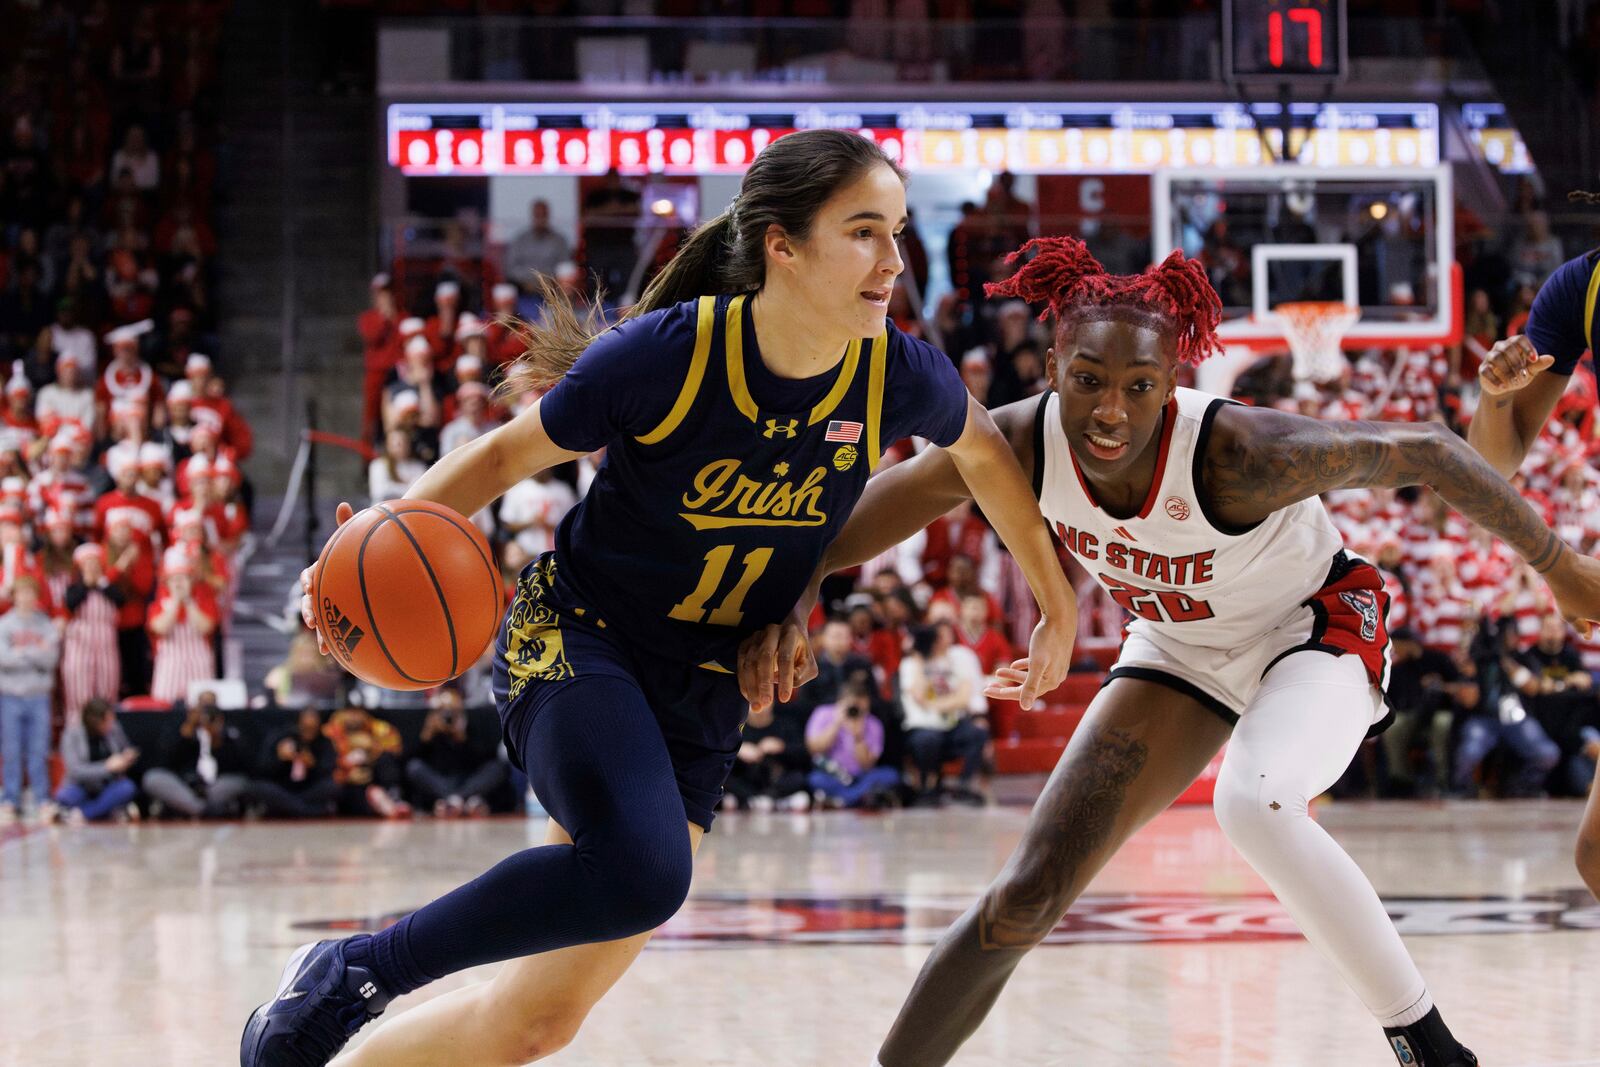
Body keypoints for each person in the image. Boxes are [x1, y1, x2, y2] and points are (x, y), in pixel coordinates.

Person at [242, 128, 1078, 1067]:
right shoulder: (666, 357)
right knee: (644, 869)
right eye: (863, 231)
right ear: (782, 245)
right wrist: (345, 555)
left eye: (894, 230)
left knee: (536, 1020)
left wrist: (1057, 599)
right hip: (579, 638)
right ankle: (355, 969)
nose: (894, 258)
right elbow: (500, 457)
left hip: (705, 687)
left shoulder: (895, 370)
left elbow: (981, 456)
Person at [785, 236, 1600, 1067]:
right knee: (1024, 896)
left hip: (1314, 621)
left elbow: (1427, 450)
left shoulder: (1241, 452)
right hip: (1180, 644)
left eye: (1140, 387)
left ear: (1172, 381)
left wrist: (1561, 568)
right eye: (1089, 381)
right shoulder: (1017, 444)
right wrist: (789, 605)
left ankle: (1430, 1046)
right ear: (1053, 364)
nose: (1111, 411)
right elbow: (834, 538)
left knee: (1254, 801)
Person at [1465, 222, 1600, 898]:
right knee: (1597, 854)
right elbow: (1492, 461)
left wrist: (1568, 572)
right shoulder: (1581, 284)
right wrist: (1494, 395)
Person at [898, 623, 987, 804]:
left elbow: (963, 697)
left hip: (952, 723)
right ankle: (927, 787)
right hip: (924, 726)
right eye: (936, 638)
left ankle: (965, 785)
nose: (939, 642)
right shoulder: (910, 664)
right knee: (927, 740)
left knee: (977, 733)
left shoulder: (957, 659)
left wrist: (934, 705)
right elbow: (918, 695)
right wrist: (919, 657)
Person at [0, 575, 60, 822]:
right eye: (21, 593)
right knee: (12, 750)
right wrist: (34, 653)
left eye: (30, 593)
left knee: (38, 750)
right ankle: (10, 800)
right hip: (11, 695)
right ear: (14, 596)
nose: (26, 598)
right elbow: (3, 659)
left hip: (38, 696)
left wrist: (21, 654)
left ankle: (41, 799)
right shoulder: (4, 624)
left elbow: (50, 659)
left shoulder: (45, 624)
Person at [140, 694, 253, 819]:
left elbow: (242, 765)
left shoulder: (230, 732)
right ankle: (200, 809)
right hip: (184, 784)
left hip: (216, 785)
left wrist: (216, 740)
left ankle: (199, 809)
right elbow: (165, 760)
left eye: (210, 705)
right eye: (202, 705)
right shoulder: (179, 728)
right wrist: (186, 733)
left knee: (237, 783)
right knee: (153, 778)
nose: (205, 711)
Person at [405, 688, 507, 818]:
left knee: (498, 767)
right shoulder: (431, 730)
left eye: (453, 712)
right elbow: (412, 759)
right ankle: (461, 801)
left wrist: (462, 736)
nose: (448, 717)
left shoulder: (470, 727)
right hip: (440, 783)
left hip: (468, 781)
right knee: (414, 767)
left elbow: (486, 758)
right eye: (443, 711)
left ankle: (454, 801)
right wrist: (428, 734)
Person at [805, 676, 900, 808]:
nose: (856, 711)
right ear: (840, 702)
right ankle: (857, 798)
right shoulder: (823, 713)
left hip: (861, 777)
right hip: (833, 775)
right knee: (814, 779)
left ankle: (841, 800)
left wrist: (858, 736)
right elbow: (814, 750)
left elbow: (867, 765)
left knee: (890, 775)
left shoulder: (873, 724)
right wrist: (836, 724)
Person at [55, 698, 140, 824]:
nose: (111, 724)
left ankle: (84, 813)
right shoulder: (71, 734)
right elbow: (75, 770)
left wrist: (127, 757)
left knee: (127, 788)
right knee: (67, 796)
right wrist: (107, 767)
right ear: (95, 721)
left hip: (108, 786)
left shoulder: (114, 729)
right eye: (107, 721)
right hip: (81, 785)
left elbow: (127, 748)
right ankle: (103, 812)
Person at [503, 199, 571, 296]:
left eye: (543, 215)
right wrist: (527, 281)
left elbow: (565, 268)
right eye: (537, 215)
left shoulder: (559, 240)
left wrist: (546, 281)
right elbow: (511, 268)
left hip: (552, 289)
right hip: (523, 288)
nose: (540, 219)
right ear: (532, 215)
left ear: (548, 216)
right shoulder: (520, 240)